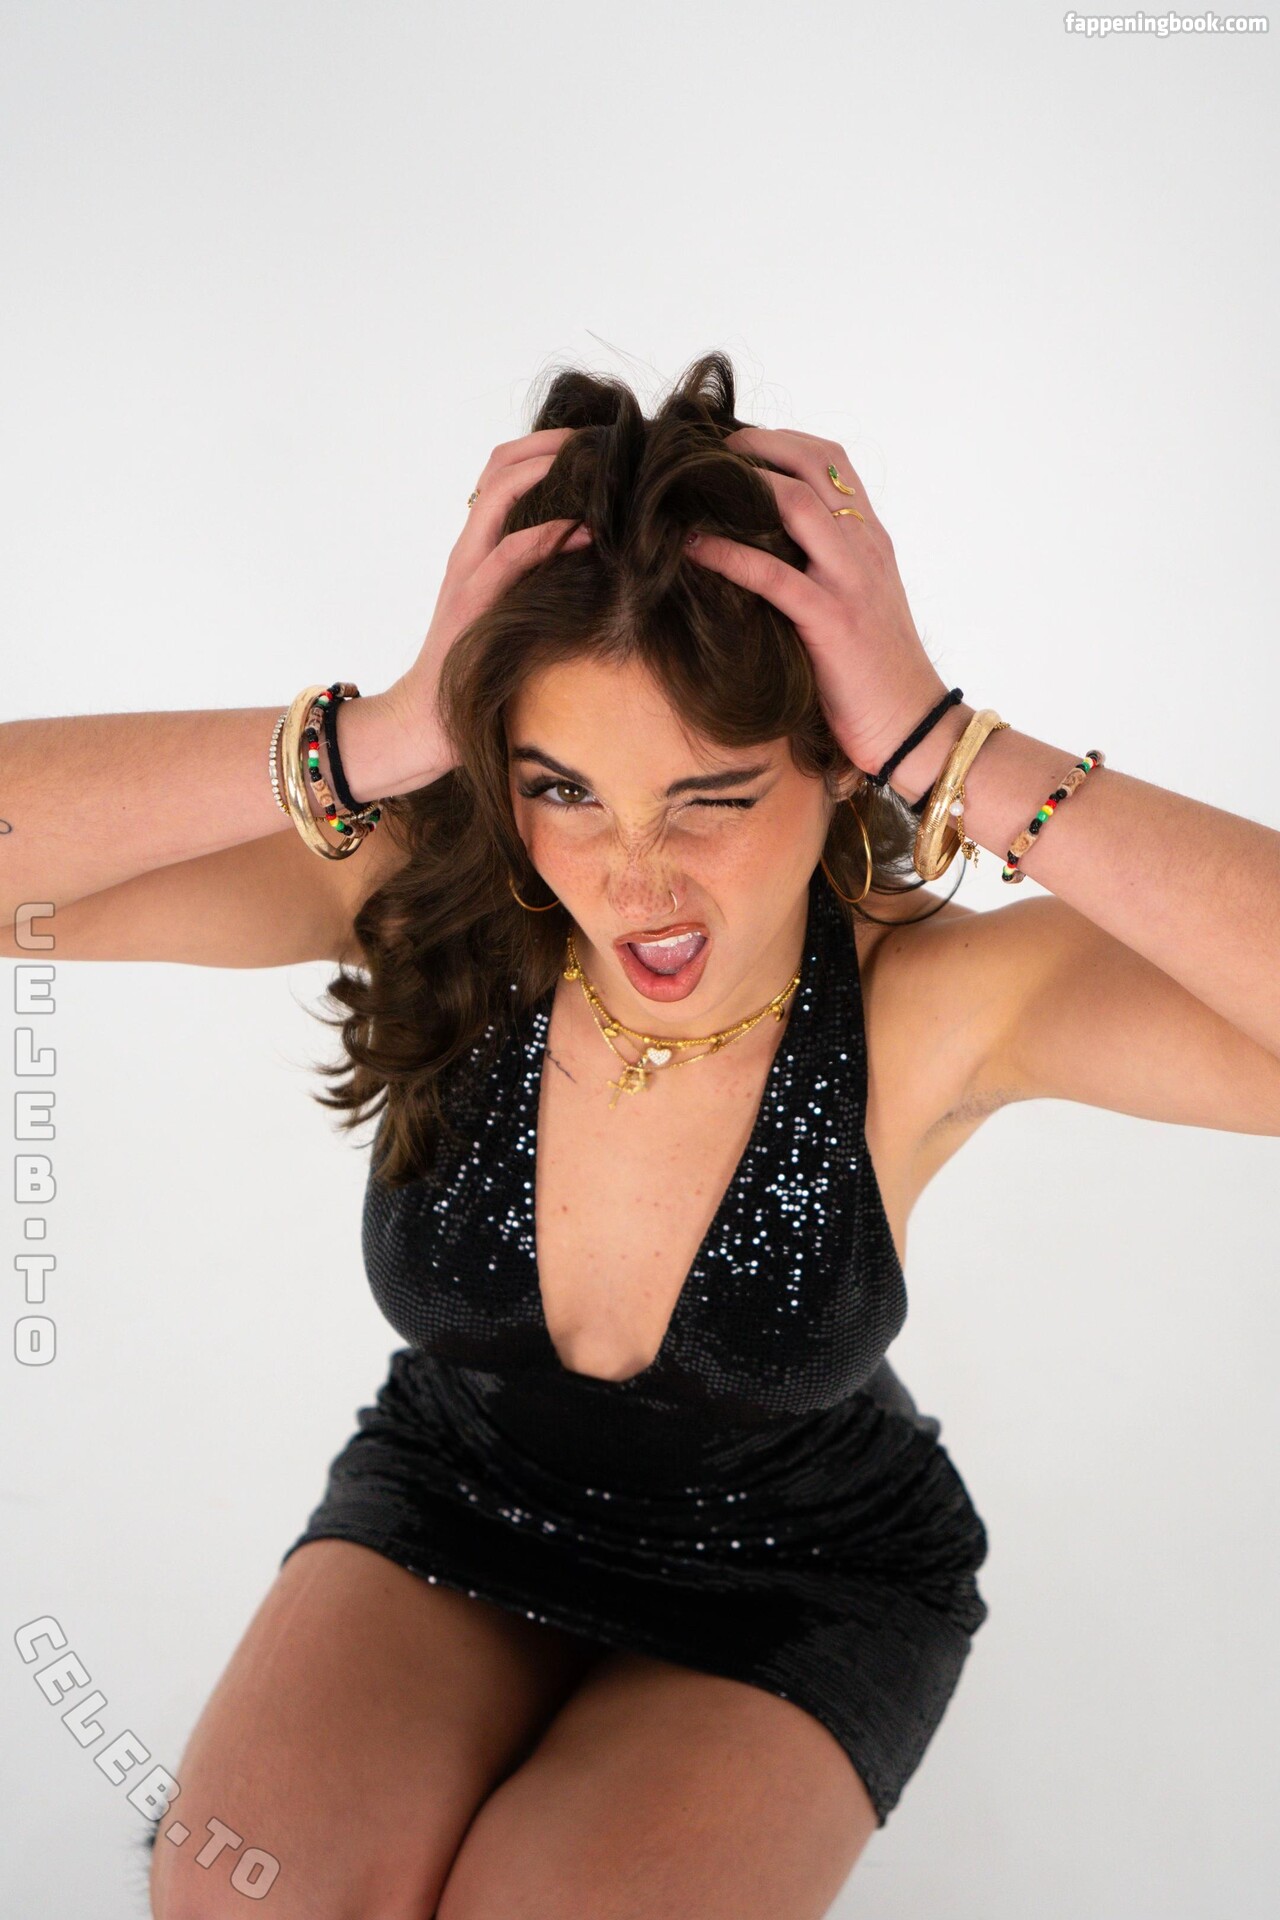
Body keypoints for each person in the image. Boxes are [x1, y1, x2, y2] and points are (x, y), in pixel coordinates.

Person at [8, 352, 1278, 1920]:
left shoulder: (931, 1005)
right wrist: (375, 736)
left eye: (709, 799)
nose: (632, 879)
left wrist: (956, 747)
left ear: (838, 760)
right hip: (457, 1500)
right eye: (564, 789)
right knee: (240, 1900)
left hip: (796, 1576)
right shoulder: (434, 907)